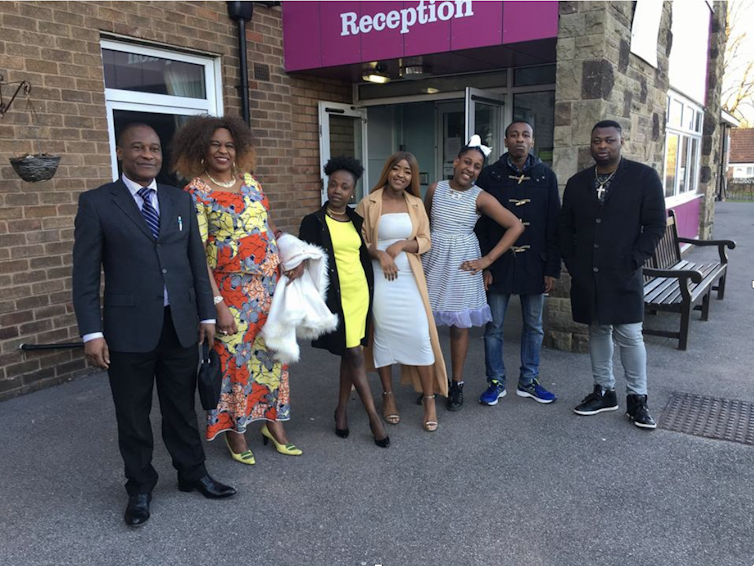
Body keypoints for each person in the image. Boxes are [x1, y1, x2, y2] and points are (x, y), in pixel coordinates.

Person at [72, 123, 236, 528]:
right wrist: (92, 332)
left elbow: (196, 263)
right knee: (133, 413)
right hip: (127, 330)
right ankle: (140, 487)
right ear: (120, 152)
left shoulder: (179, 200)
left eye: (154, 149)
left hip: (179, 324)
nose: (148, 155)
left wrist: (206, 314)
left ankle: (192, 473)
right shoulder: (97, 203)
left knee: (182, 407)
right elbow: (85, 275)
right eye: (138, 148)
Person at [171, 115, 303, 463]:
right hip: (229, 293)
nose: (223, 150)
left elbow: (268, 226)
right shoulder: (195, 192)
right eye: (215, 144)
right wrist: (217, 306)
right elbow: (197, 255)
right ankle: (236, 430)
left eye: (229, 145)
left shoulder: (252, 183)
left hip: (268, 289)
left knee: (273, 357)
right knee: (232, 364)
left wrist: (291, 252)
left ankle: (272, 421)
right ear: (201, 148)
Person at [559, 120, 666, 429]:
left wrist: (633, 259)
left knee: (630, 334)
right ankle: (604, 391)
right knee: (597, 329)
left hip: (624, 271)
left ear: (621, 142)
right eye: (596, 141)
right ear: (590, 145)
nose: (602, 146)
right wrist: (572, 260)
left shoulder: (643, 178)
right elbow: (565, 226)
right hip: (587, 272)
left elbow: (656, 224)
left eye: (609, 140)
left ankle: (638, 399)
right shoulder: (578, 182)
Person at [422, 135, 525, 411]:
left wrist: (487, 259)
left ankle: (456, 384)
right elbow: (424, 224)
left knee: (459, 326)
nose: (470, 169)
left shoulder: (481, 197)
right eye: (467, 162)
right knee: (427, 326)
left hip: (463, 264)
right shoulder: (435, 189)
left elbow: (516, 226)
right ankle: (432, 381)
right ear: (455, 162)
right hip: (433, 261)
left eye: (477, 166)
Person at [299, 156, 390, 448]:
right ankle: (374, 418)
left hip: (359, 294)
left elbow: (361, 254)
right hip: (335, 300)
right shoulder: (313, 222)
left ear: (353, 192)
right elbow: (306, 262)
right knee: (353, 353)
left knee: (350, 353)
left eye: (345, 186)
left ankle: (341, 412)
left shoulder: (356, 220)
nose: (337, 190)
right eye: (333, 184)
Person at [356, 152, 448, 432]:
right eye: (396, 168)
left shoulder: (417, 204)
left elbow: (425, 240)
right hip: (381, 280)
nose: (401, 175)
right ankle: (388, 396)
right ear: (387, 171)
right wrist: (380, 254)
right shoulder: (368, 202)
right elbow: (358, 241)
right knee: (383, 335)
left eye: (407, 171)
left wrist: (400, 246)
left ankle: (429, 399)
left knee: (421, 334)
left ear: (412, 177)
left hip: (409, 277)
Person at [475, 121, 562, 407]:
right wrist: (485, 265)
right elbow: (481, 226)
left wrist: (552, 268)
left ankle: (529, 380)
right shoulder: (489, 176)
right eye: (514, 135)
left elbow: (554, 225)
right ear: (505, 140)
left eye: (525, 135)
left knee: (534, 326)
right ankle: (496, 381)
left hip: (535, 263)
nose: (519, 140)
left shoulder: (545, 176)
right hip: (499, 263)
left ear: (532, 141)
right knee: (494, 326)